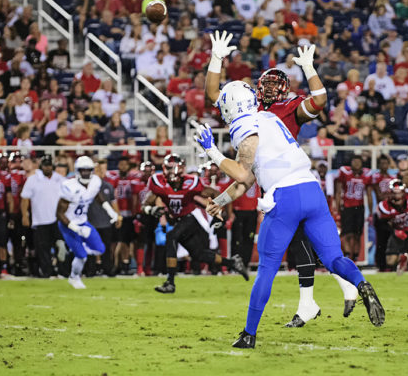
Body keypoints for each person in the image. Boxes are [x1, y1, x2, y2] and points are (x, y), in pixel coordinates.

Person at [193, 81, 384, 348]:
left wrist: (211, 150)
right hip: (312, 191)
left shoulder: (242, 125)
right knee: (333, 258)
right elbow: (247, 180)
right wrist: (222, 200)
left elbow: (239, 172)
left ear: (231, 105)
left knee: (267, 270)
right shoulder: (269, 118)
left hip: (285, 197)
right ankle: (361, 284)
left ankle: (249, 334)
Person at [204, 31, 358, 326]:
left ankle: (330, 292)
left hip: (287, 184)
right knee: (302, 245)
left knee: (302, 246)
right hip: (270, 184)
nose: (272, 89)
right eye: (267, 84)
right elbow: (214, 95)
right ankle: (318, 298)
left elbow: (318, 102)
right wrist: (216, 59)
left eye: (277, 84)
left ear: (285, 89)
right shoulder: (249, 107)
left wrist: (309, 68)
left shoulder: (288, 108)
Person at [141, 154, 249, 293]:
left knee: (171, 237)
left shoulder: (191, 183)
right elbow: (145, 204)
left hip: (189, 220)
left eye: (174, 168)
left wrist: (223, 213)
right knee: (199, 255)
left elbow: (216, 193)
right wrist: (151, 209)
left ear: (181, 169)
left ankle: (170, 282)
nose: (171, 172)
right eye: (168, 168)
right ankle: (233, 262)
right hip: (176, 222)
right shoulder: (158, 183)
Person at [56, 156, 122, 289]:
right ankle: (74, 277)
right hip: (68, 224)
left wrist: (111, 212)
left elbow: (98, 196)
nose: (86, 173)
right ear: (77, 171)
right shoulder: (69, 186)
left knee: (100, 248)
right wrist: (77, 229)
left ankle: (75, 248)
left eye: (88, 170)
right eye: (83, 170)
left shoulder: (95, 182)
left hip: (83, 221)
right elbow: (59, 214)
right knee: (81, 256)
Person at [21, 155, 66, 277]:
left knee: (61, 247)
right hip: (40, 220)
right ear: (41, 166)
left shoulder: (60, 179)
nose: (47, 168)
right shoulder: (33, 179)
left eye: (49, 165)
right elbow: (25, 198)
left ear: (53, 166)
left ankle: (62, 271)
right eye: (45, 165)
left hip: (58, 220)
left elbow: (68, 197)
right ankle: (47, 273)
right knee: (43, 249)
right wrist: (25, 216)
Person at [105, 156, 135, 274]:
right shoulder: (113, 179)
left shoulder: (133, 178)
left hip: (128, 213)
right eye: (121, 164)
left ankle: (124, 264)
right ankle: (114, 264)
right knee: (115, 241)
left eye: (125, 164)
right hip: (116, 213)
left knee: (125, 241)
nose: (123, 167)